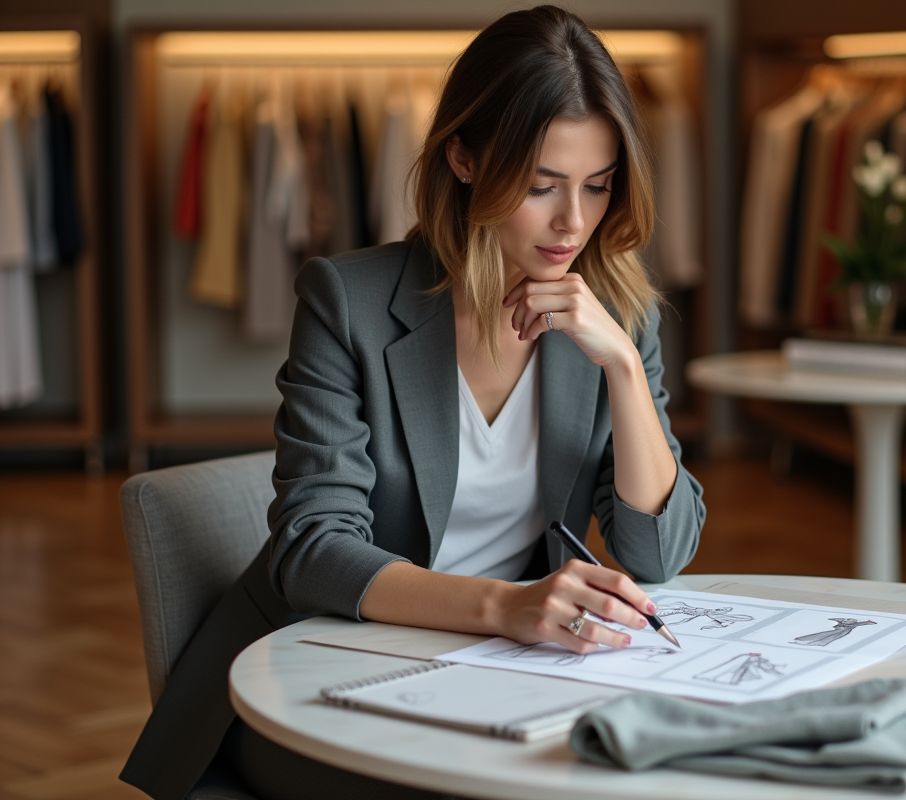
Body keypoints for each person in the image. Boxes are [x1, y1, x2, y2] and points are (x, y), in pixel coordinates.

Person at [120, 7, 705, 800]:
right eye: (541, 186)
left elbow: (657, 554)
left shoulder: (615, 314)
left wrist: (625, 373)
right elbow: (313, 549)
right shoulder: (349, 300)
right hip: (320, 670)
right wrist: (509, 607)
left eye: (597, 187)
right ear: (463, 158)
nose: (574, 221)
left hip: (498, 674)